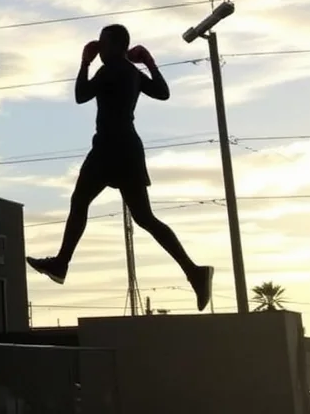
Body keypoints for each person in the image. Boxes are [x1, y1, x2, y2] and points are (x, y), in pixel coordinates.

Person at [26, 23, 213, 311]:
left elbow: (81, 95)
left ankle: (62, 264)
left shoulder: (111, 68)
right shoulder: (131, 72)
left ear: (115, 46)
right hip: (124, 148)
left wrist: (84, 62)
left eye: (102, 44)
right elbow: (163, 92)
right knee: (143, 217)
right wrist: (149, 63)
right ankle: (193, 271)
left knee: (82, 202)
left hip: (109, 149)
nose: (99, 49)